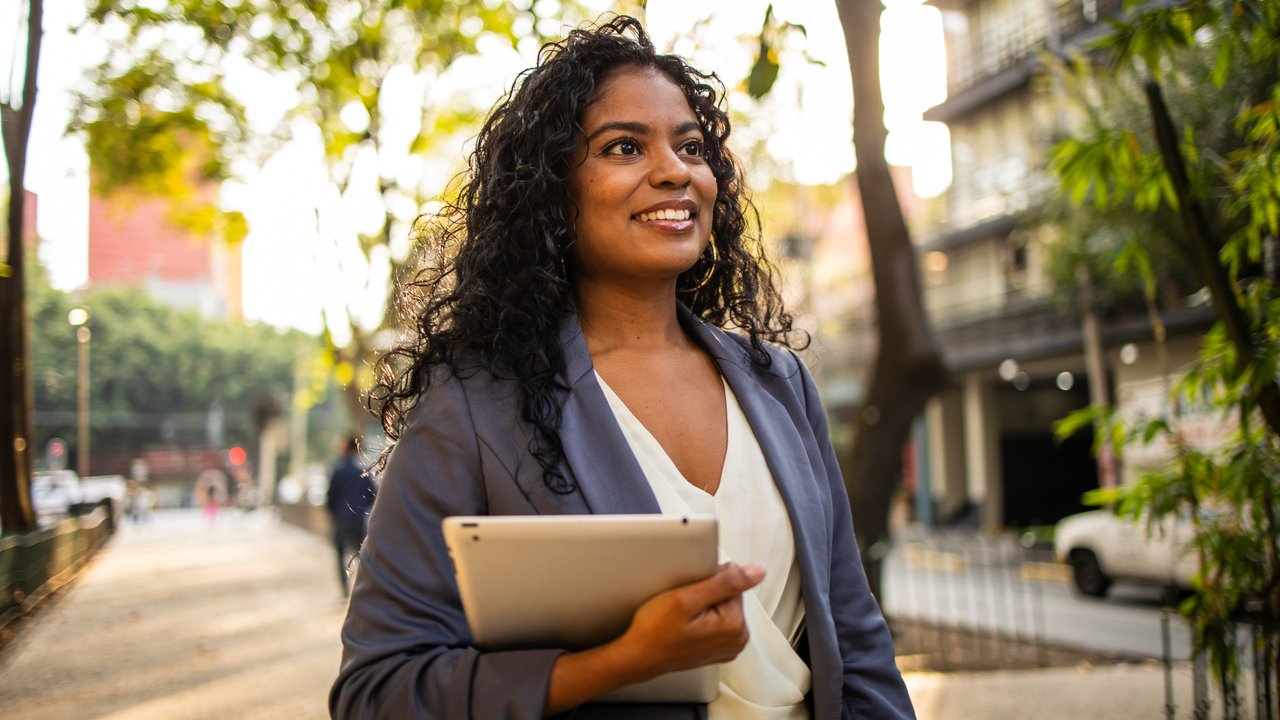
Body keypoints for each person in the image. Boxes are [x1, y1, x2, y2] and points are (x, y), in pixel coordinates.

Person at [331, 15, 916, 720]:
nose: (674, 170)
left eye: (692, 147)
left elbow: (854, 640)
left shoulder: (778, 382)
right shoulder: (475, 409)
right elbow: (377, 691)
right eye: (625, 146)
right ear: (552, 191)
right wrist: (619, 665)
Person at [326, 434, 377, 597]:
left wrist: (335, 514)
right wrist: (362, 510)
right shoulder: (363, 470)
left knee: (340, 555)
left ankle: (344, 590)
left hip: (341, 520)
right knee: (362, 555)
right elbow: (373, 494)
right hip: (358, 520)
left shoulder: (338, 470)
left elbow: (330, 498)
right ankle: (362, 588)